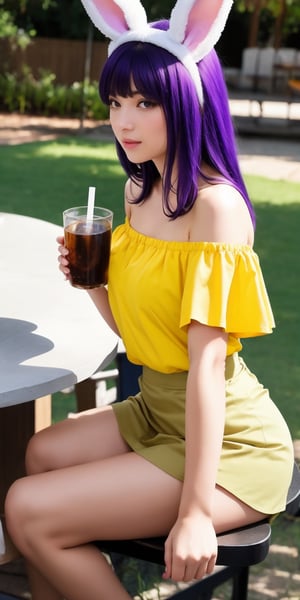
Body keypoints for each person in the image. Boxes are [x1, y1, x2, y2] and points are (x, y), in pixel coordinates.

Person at [5, 0, 294, 599]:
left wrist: (193, 513)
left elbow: (208, 368)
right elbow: (142, 338)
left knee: (27, 508)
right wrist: (95, 285)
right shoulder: (141, 189)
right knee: (41, 451)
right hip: (159, 408)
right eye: (116, 102)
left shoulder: (215, 209)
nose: (124, 121)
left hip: (228, 442)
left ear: (190, 103)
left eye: (145, 102)